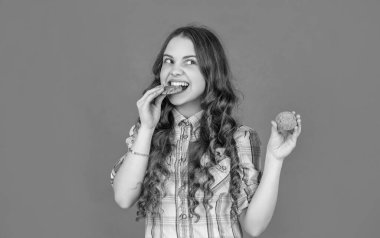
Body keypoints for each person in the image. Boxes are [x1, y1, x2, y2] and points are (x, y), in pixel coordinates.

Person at [110, 25, 302, 238]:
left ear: (210, 72)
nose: (175, 70)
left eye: (190, 62)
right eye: (168, 61)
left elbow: (254, 226)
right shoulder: (146, 134)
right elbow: (123, 197)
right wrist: (146, 128)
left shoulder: (238, 138)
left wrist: (275, 159)